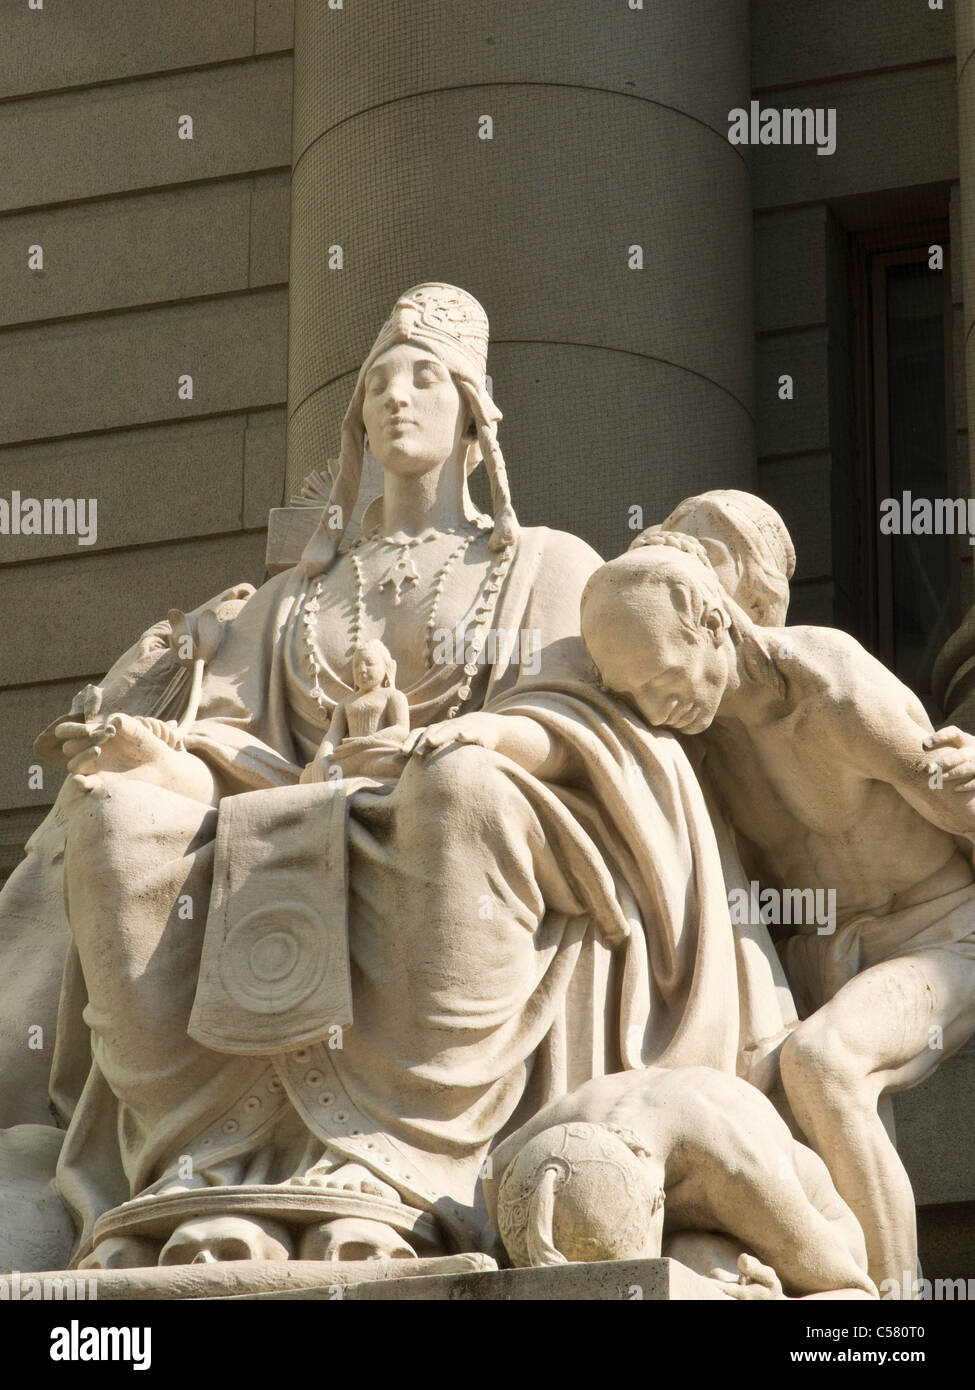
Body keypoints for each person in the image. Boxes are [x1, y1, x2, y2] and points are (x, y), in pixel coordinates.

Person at [35, 285, 783, 1270]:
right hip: (288, 809)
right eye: (378, 381)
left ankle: (402, 1169)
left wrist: (463, 737)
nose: (396, 395)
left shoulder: (547, 564)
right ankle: (198, 1167)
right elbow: (226, 732)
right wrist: (159, 752)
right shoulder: (294, 597)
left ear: (475, 413)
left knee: (455, 794)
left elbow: (584, 719)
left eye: (425, 377)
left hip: (466, 812)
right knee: (119, 818)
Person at [580, 532, 975, 1289]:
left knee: (821, 1061)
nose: (654, 705)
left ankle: (884, 1321)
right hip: (816, 958)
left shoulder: (831, 688)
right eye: (634, 693)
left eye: (662, 676)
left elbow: (953, 801)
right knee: (725, 1098)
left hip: (939, 934)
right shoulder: (692, 743)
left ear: (712, 621)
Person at [487, 1066, 876, 1299]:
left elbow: (859, 1290)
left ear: (657, 1204)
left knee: (696, 1260)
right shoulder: (511, 1167)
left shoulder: (742, 1169)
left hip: (815, 1234)